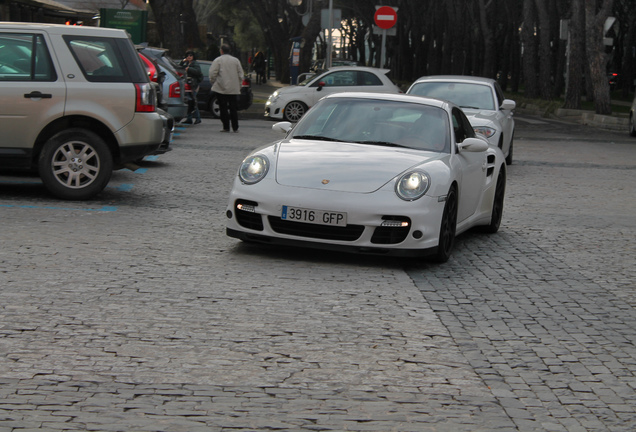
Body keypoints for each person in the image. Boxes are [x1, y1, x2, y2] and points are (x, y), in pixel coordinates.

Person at [209, 44, 244, 132]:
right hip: (233, 88)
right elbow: (241, 74)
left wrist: (213, 82)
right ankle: (235, 127)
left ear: (221, 51)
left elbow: (213, 73)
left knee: (223, 107)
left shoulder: (218, 60)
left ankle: (226, 126)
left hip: (221, 87)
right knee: (233, 108)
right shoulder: (236, 60)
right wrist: (239, 85)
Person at [179, 50, 203, 125]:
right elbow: (179, 67)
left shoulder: (195, 64)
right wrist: (183, 61)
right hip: (187, 84)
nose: (189, 57)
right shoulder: (186, 63)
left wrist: (189, 69)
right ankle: (189, 118)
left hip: (193, 85)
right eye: (187, 55)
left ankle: (197, 117)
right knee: (189, 102)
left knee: (193, 101)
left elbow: (198, 71)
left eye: (190, 55)